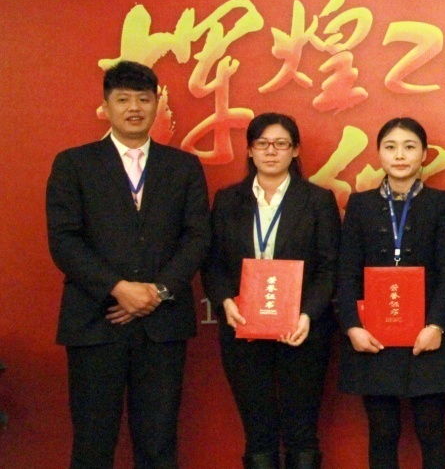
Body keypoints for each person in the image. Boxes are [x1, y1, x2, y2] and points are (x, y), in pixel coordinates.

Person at [46, 60, 211, 469]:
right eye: (123, 100)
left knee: (158, 443)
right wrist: (119, 288)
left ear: (157, 104)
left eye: (143, 99)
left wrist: (157, 291)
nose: (134, 108)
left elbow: (197, 237)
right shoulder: (73, 164)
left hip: (162, 323)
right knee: (93, 443)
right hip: (95, 321)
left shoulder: (183, 167)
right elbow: (64, 240)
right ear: (106, 106)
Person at [202, 113, 341, 469]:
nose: (271, 151)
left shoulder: (317, 200)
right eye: (262, 143)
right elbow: (213, 262)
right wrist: (225, 301)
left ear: (295, 151)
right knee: (258, 431)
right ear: (249, 150)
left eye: (280, 144)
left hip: (302, 330)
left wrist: (307, 314)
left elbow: (329, 267)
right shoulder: (228, 200)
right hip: (243, 328)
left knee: (302, 431)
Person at [337, 118, 445, 469]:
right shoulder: (360, 205)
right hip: (373, 336)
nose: (400, 155)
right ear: (379, 154)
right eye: (391, 147)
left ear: (424, 154)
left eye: (409, 147)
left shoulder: (441, 203)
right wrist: (353, 327)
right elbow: (346, 272)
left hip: (428, 335)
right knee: (382, 431)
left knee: (431, 429)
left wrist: (436, 325)